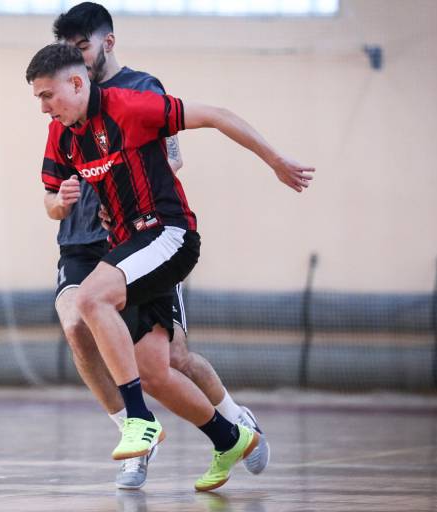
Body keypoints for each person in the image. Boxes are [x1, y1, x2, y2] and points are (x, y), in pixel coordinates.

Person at [28, 43, 314, 491]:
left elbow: (217, 114)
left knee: (89, 298)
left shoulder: (131, 107)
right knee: (154, 371)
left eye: (48, 95)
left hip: (168, 234)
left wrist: (276, 160)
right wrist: (60, 202)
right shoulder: (61, 134)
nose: (43, 107)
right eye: (38, 98)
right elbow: (50, 199)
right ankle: (230, 439)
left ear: (78, 83)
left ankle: (138, 420)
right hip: (129, 247)